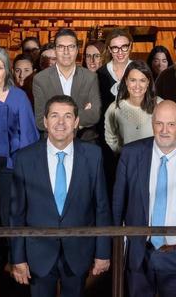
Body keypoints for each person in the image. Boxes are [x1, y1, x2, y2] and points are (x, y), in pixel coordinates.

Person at [10, 96, 111, 297]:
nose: (61, 122)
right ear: (45, 121)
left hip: (79, 252)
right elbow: (16, 213)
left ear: (76, 122)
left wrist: (103, 252)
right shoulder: (24, 158)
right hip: (38, 254)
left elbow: (101, 207)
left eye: (67, 116)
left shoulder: (94, 156)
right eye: (54, 116)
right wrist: (18, 257)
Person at [112, 100, 176, 297]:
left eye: (171, 124)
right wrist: (119, 250)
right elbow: (117, 205)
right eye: (159, 123)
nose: (164, 130)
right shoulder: (131, 154)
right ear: (152, 124)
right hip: (139, 254)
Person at [0, 47, 39, 259]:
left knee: (8, 212)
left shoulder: (18, 96)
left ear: (7, 71)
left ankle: (12, 257)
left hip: (11, 162)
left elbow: (29, 134)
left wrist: (22, 166)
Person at [32, 29, 102, 142]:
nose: (66, 52)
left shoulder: (90, 77)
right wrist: (80, 116)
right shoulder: (40, 79)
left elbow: (95, 115)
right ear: (55, 50)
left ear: (77, 50)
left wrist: (55, 117)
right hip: (53, 142)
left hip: (84, 140)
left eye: (71, 47)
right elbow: (40, 121)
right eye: (61, 47)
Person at [104, 61, 158, 153]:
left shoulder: (160, 105)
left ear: (148, 82)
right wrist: (125, 153)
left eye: (142, 80)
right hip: (127, 162)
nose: (137, 86)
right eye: (133, 80)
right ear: (126, 81)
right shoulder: (114, 109)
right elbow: (110, 139)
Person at [97, 28, 137, 110]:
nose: (120, 52)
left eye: (124, 47)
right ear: (109, 50)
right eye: (115, 48)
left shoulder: (140, 70)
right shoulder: (100, 74)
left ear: (130, 46)